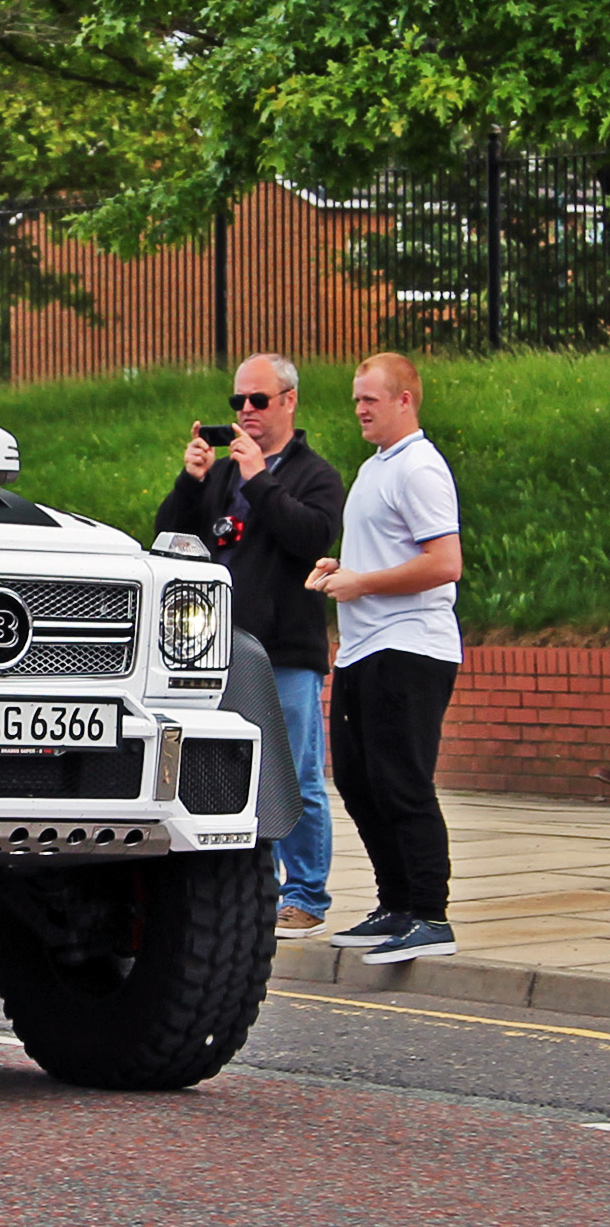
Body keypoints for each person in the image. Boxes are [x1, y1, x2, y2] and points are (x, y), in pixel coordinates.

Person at [156, 353, 347, 937]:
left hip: (285, 651)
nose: (244, 412)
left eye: (257, 401)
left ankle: (306, 893)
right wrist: (191, 483)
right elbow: (168, 539)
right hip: (217, 650)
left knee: (295, 774)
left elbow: (310, 537)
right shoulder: (220, 476)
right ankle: (234, 887)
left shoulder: (315, 474)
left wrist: (260, 479)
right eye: (237, 402)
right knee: (220, 769)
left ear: (288, 401)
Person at [308, 353, 463, 964]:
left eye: (371, 398)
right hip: (364, 647)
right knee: (358, 780)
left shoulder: (420, 468)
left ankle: (430, 913)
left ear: (406, 400)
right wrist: (341, 572)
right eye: (355, 399)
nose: (360, 409)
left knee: (402, 782)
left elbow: (444, 563)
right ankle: (395, 905)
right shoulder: (377, 467)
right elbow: (384, 555)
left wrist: (363, 584)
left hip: (410, 645)